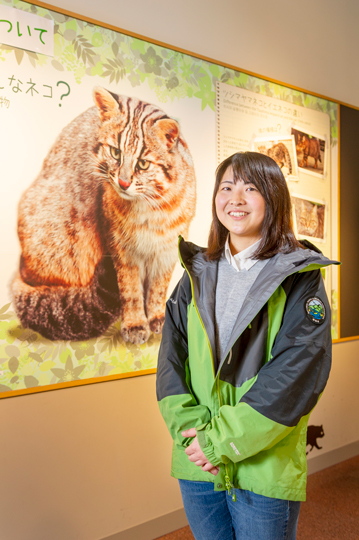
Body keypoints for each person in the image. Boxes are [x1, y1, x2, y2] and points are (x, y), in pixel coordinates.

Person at [156, 151, 338, 540]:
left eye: (250, 188)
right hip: (198, 461)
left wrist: (218, 441)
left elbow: (296, 374)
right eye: (227, 187)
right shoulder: (196, 273)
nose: (235, 199)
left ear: (273, 199)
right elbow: (170, 363)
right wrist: (194, 434)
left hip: (262, 460)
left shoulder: (298, 277)